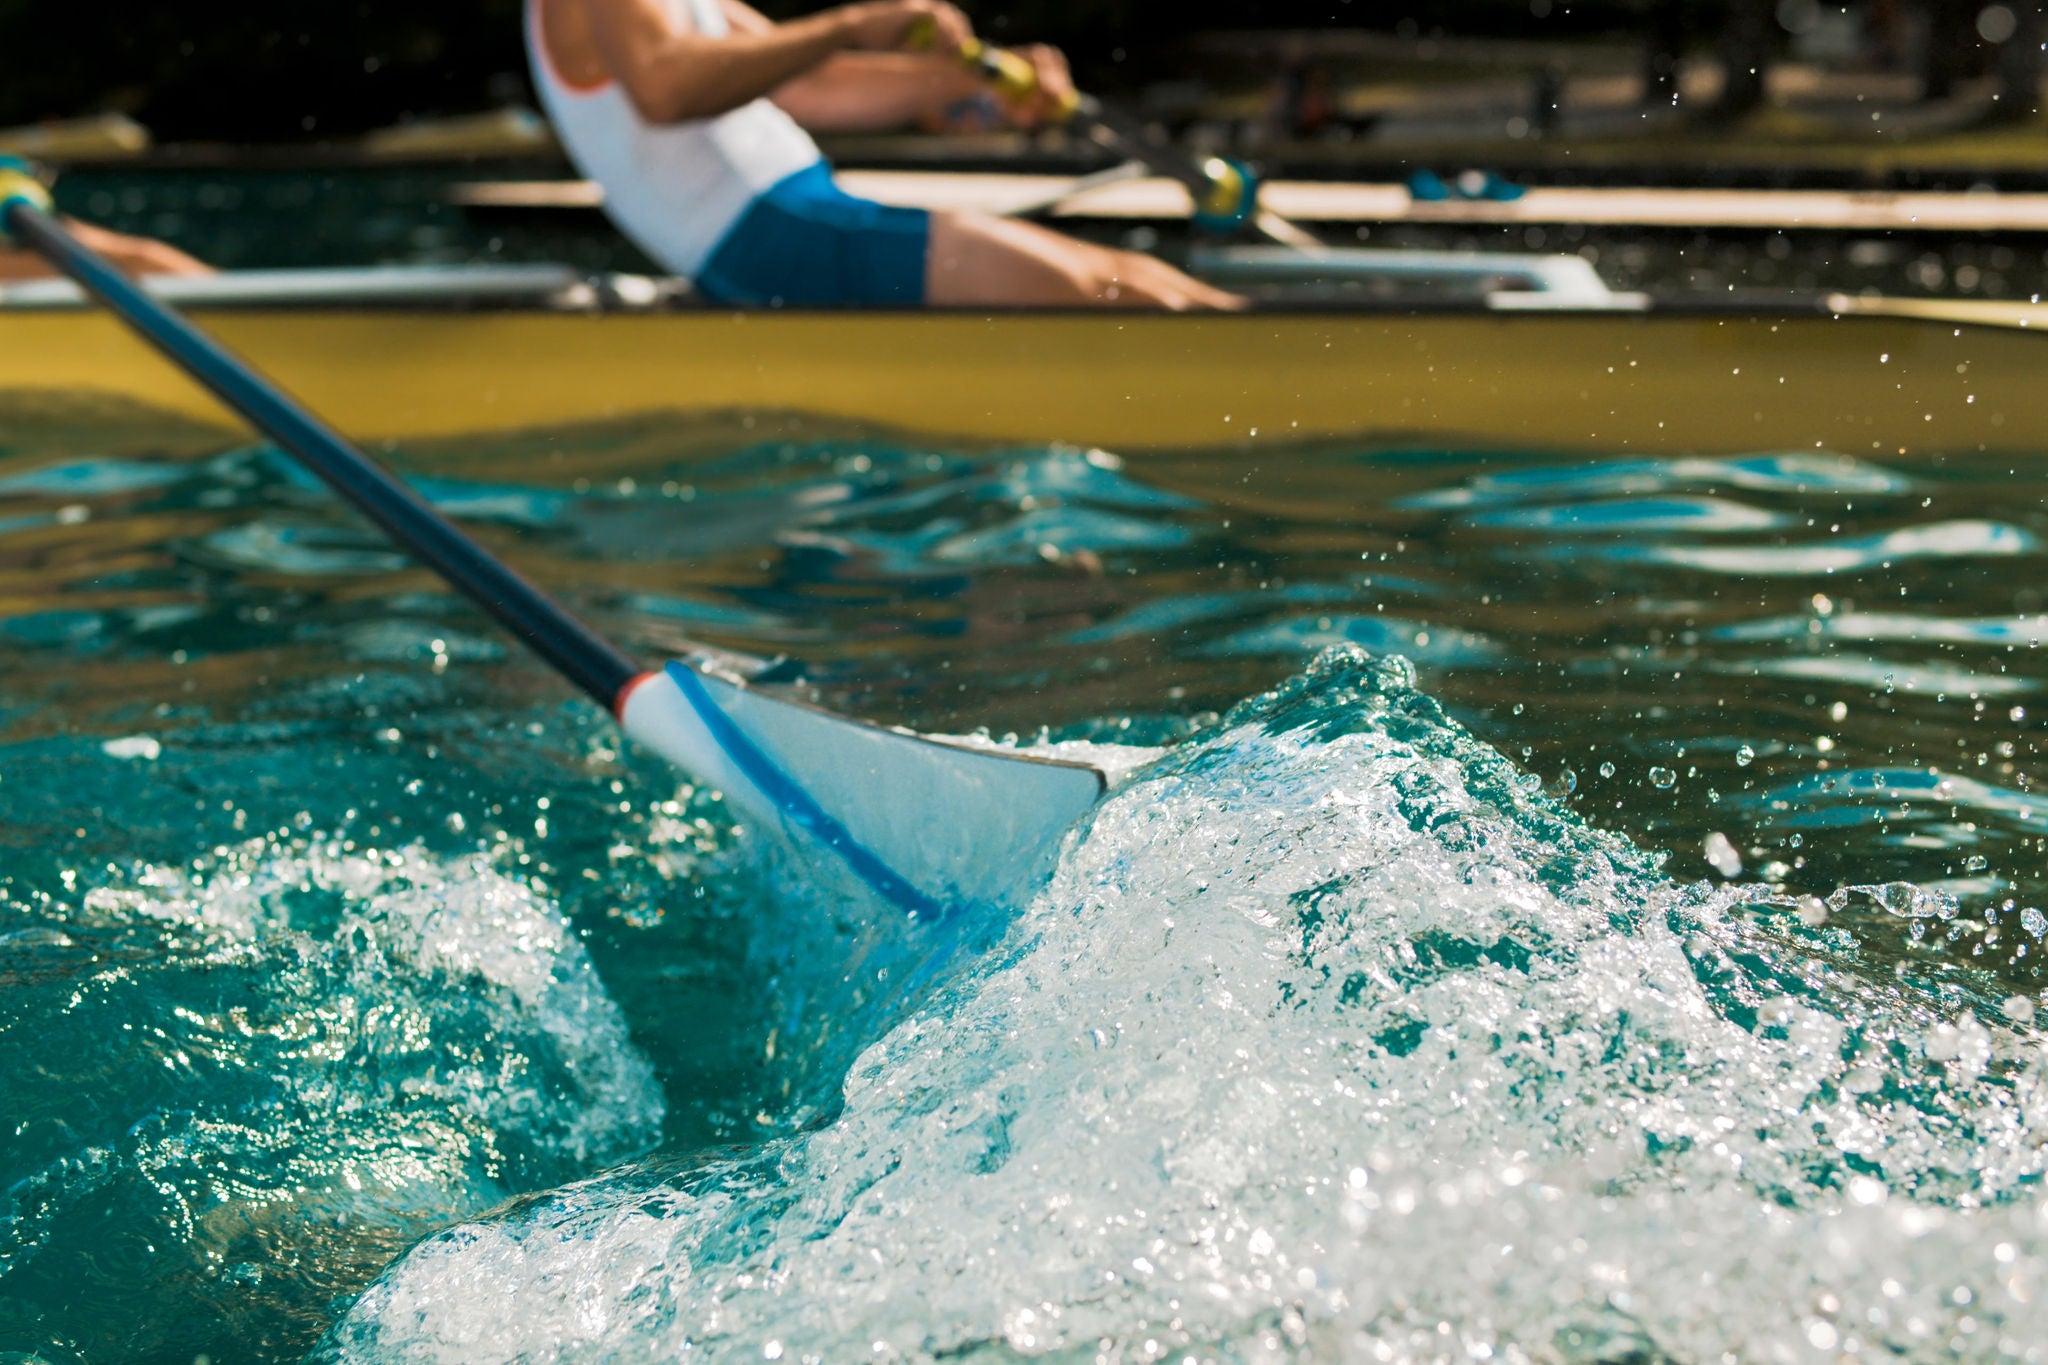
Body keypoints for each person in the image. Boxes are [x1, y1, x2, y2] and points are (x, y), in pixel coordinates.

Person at [527, 0, 1243, 309]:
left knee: (1137, 279)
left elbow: (810, 85)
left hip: (804, 220)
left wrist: (972, 82)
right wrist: (850, 23)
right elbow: (664, 88)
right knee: (1121, 292)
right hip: (774, 241)